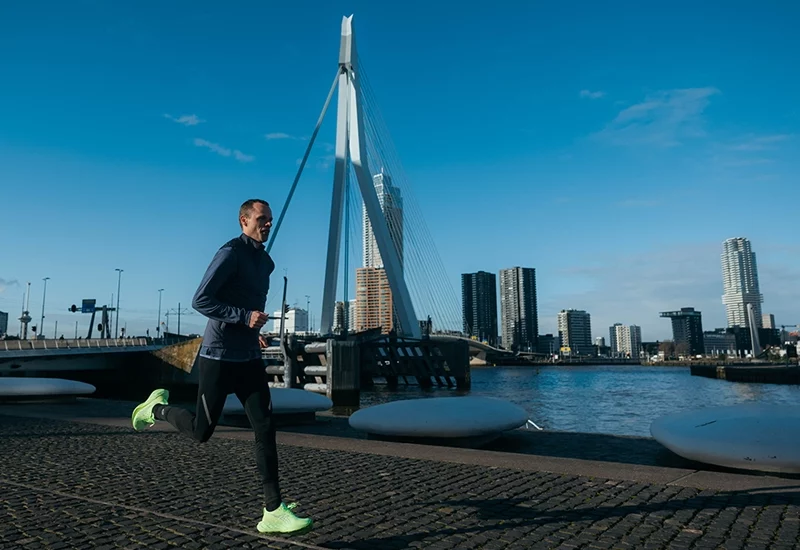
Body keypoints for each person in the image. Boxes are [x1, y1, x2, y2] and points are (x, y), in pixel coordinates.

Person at [131, 198, 312, 534]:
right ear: (244, 221)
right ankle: (157, 409)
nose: (268, 224)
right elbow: (201, 299)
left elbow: (251, 305)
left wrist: (254, 330)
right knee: (202, 431)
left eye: (270, 219)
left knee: (265, 426)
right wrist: (244, 317)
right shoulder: (229, 253)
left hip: (248, 357)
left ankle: (273, 510)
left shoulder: (267, 263)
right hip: (217, 356)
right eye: (262, 218)